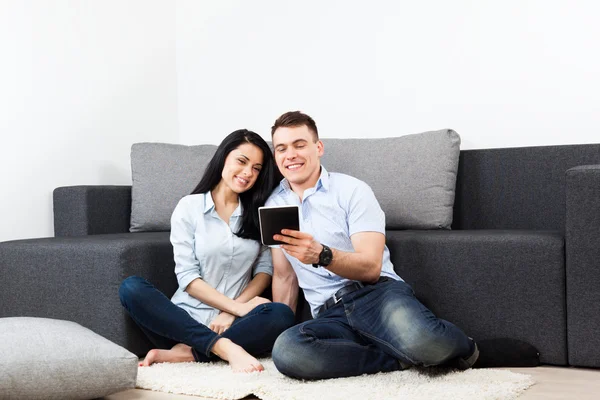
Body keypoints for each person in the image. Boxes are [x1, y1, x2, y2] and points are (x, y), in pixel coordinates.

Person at [265, 111, 539, 379]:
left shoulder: (351, 190)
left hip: (376, 295)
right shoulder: (273, 206)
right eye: (281, 148)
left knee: (424, 340)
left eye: (299, 145)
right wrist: (281, 326)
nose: (290, 155)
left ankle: (471, 351)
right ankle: (398, 359)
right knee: (288, 351)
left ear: (318, 147)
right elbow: (284, 276)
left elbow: (371, 267)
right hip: (329, 313)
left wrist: (322, 255)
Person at [119, 129, 295, 373]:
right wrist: (235, 308)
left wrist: (230, 312)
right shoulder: (189, 207)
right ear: (223, 157)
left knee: (281, 314)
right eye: (242, 161)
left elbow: (264, 272)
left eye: (256, 168)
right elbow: (188, 278)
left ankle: (191, 353)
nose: (247, 173)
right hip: (181, 325)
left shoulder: (259, 212)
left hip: (234, 325)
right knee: (131, 288)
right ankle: (224, 349)